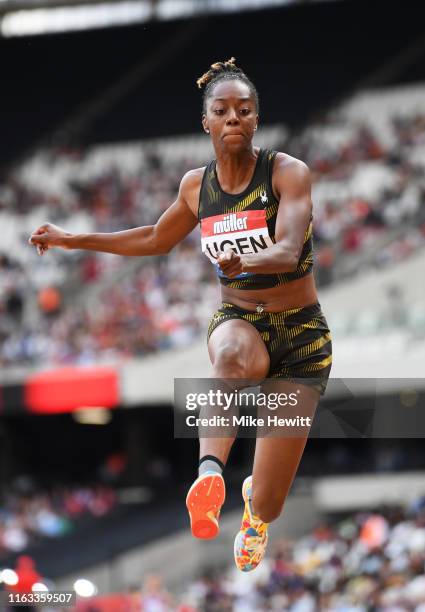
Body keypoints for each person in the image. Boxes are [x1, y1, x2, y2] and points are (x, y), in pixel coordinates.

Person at [29, 58, 332, 573]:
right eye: (223, 111)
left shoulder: (286, 172)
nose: (234, 118)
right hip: (242, 318)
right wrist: (73, 238)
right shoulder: (198, 186)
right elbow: (153, 238)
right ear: (206, 122)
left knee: (271, 501)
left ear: (257, 119)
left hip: (302, 335)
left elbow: (288, 248)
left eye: (245, 110)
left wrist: (247, 259)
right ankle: (208, 475)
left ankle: (254, 514)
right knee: (231, 357)